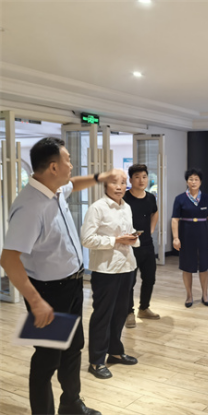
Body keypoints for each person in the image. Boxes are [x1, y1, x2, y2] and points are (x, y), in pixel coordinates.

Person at [0, 137, 120, 415]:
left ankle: (71, 404)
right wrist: (36, 302)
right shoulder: (30, 207)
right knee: (47, 359)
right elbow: (8, 259)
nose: (72, 164)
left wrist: (100, 177)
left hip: (72, 285)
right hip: (48, 293)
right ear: (53, 167)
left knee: (73, 347)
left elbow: (73, 184)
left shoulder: (54, 190)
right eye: (68, 160)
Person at [82, 171, 139, 379]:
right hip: (106, 270)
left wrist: (133, 238)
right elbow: (87, 239)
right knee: (102, 315)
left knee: (120, 312)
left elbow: (129, 231)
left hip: (127, 267)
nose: (120, 186)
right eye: (115, 182)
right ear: (106, 185)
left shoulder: (127, 207)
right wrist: (115, 241)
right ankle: (96, 361)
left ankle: (115, 351)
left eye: (123, 183)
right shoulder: (97, 208)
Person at [171, 168, 208, 308]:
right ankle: (189, 296)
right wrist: (175, 238)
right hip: (186, 234)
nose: (193, 182)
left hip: (203, 233)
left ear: (200, 182)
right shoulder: (180, 198)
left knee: (204, 266)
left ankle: (205, 295)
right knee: (187, 266)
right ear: (187, 181)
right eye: (191, 179)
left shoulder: (207, 198)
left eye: (196, 179)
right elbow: (175, 220)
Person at [123, 164, 160, 328]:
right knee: (129, 281)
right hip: (129, 246)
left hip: (147, 245)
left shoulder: (151, 198)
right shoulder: (124, 198)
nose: (141, 180)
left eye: (144, 177)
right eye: (137, 177)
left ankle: (144, 308)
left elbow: (155, 212)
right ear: (130, 180)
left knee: (150, 278)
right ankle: (128, 312)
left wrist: (151, 229)